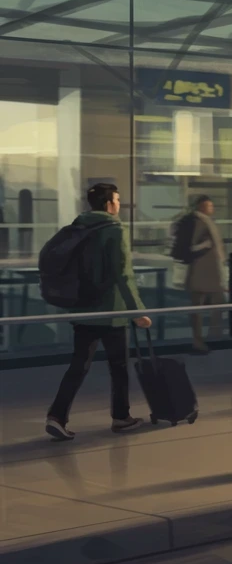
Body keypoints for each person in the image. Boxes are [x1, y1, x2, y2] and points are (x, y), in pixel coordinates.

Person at [45, 183, 151, 440]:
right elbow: (123, 274)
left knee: (78, 365)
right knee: (119, 366)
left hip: (83, 309)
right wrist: (137, 311)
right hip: (111, 312)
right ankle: (121, 417)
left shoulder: (79, 226)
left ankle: (56, 416)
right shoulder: (114, 230)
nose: (118, 204)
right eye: (116, 199)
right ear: (108, 204)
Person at [175, 195, 225, 355]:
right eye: (209, 206)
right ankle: (199, 341)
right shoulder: (198, 222)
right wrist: (205, 245)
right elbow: (192, 246)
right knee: (199, 307)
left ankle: (210, 337)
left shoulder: (205, 221)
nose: (212, 209)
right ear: (202, 206)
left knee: (215, 304)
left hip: (209, 272)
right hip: (201, 271)